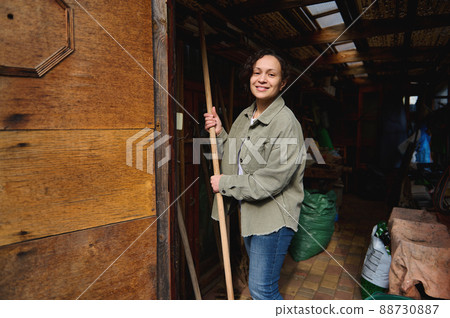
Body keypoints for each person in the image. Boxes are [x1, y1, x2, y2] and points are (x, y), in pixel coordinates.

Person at [204, 49, 306, 300]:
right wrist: (220, 132)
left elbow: (269, 181)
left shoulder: (285, 123)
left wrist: (224, 183)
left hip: (272, 221)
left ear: (282, 83)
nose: (262, 79)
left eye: (271, 75)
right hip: (251, 215)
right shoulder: (246, 115)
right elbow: (235, 156)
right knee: (260, 286)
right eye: (257, 72)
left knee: (262, 290)